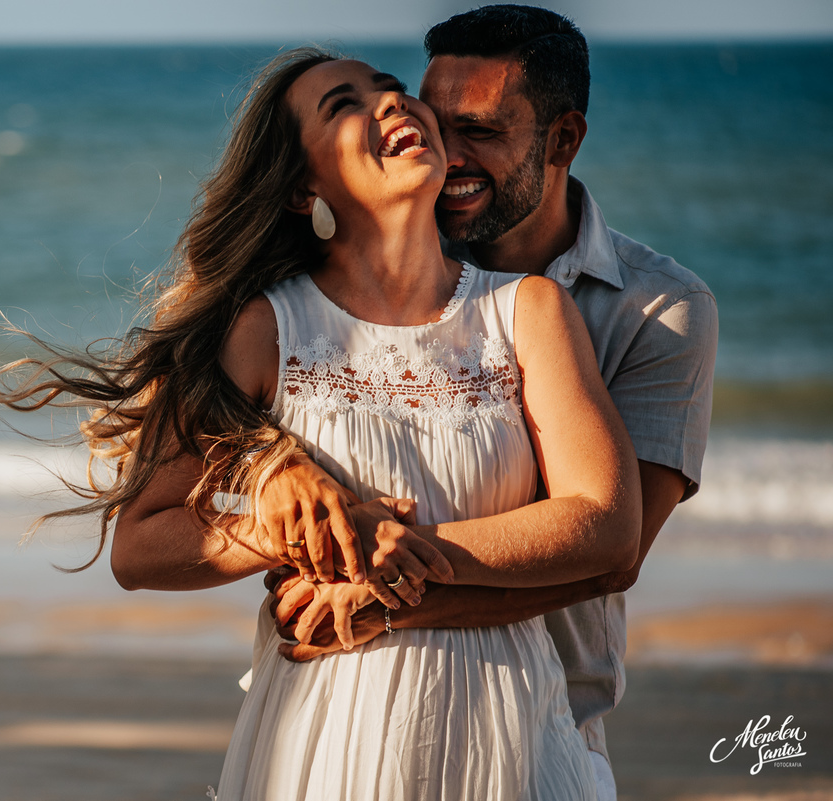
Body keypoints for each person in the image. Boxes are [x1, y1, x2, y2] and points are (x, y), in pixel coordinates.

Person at [102, 47, 645, 798]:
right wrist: (286, 527)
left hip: (508, 732)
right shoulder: (265, 330)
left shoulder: (526, 310)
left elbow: (607, 523)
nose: (390, 102)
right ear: (304, 187)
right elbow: (139, 546)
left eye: (391, 89)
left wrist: (398, 553)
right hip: (327, 733)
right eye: (344, 105)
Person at [258, 7, 719, 800]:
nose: (448, 152)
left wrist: (384, 592)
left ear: (562, 140)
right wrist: (268, 468)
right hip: (338, 706)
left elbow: (612, 555)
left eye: (480, 131)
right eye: (438, 123)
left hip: (543, 720)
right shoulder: (376, 257)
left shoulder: (660, 310)